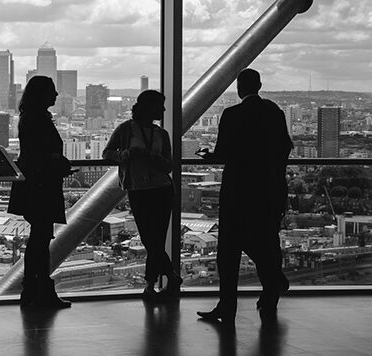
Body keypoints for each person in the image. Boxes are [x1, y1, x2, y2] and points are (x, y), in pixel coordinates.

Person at [197, 68, 293, 323]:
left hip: (238, 190)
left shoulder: (232, 114)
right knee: (267, 240)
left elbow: (224, 153)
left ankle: (228, 306)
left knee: (229, 251)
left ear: (239, 88)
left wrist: (210, 157)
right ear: (260, 85)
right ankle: (271, 290)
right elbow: (285, 148)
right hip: (268, 189)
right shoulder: (275, 113)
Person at [103, 90, 181, 300]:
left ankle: (151, 285)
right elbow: (108, 153)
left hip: (160, 189)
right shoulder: (126, 130)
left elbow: (168, 165)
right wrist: (126, 155)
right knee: (151, 239)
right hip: (143, 189)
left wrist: (151, 157)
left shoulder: (161, 134)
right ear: (149, 107)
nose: (163, 110)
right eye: (160, 106)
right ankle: (169, 277)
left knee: (154, 239)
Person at [7, 76, 73, 310]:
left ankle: (33, 290)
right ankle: (40, 290)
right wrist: (57, 162)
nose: (56, 95)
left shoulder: (29, 117)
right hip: (42, 185)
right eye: (52, 91)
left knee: (39, 239)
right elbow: (42, 153)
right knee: (40, 240)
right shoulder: (38, 119)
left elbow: (34, 153)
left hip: (34, 184)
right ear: (42, 94)